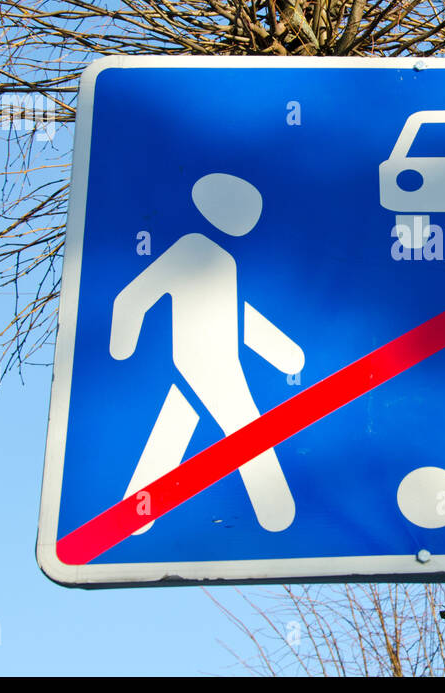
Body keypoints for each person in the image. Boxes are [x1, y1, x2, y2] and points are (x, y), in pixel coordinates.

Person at [109, 173, 304, 533]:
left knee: (176, 423)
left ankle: (136, 511)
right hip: (207, 363)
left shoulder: (222, 260)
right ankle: (277, 512)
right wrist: (122, 344)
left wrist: (283, 353)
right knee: (247, 430)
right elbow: (135, 296)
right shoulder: (190, 249)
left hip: (209, 361)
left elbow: (237, 314)